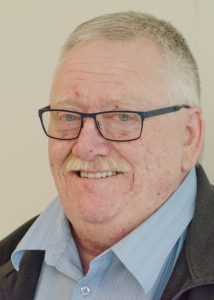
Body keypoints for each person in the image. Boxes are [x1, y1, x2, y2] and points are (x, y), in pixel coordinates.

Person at [0, 11, 213, 300]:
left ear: (189, 135)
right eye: (68, 115)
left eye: (122, 116)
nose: (85, 146)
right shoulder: (8, 263)